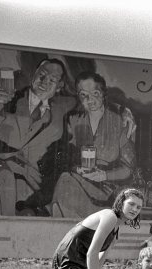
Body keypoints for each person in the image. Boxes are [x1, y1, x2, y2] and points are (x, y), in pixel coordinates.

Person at [0, 58, 75, 216]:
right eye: (42, 75)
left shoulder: (63, 110)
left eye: (52, 80)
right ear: (34, 74)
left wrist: (124, 111)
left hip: (33, 186)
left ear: (59, 86)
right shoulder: (7, 99)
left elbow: (94, 102)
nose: (44, 82)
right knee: (4, 180)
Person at [51, 71, 137, 218]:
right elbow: (65, 157)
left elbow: (128, 169)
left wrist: (104, 175)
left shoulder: (119, 121)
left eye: (95, 93)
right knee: (65, 181)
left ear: (103, 94)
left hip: (107, 189)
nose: (89, 100)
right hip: (77, 181)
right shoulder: (73, 119)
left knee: (64, 186)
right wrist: (77, 168)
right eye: (83, 95)